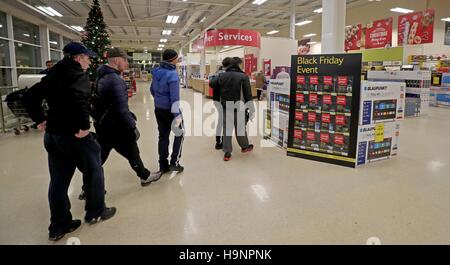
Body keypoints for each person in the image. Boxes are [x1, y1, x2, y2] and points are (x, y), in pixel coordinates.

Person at [26, 42, 116, 241]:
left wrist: (40, 119)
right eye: (87, 57)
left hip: (53, 136)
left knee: (58, 182)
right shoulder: (78, 76)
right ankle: (96, 211)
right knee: (94, 170)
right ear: (77, 58)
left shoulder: (52, 74)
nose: (89, 61)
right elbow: (79, 101)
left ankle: (59, 226)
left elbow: (30, 96)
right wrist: (84, 127)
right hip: (74, 136)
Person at [77, 48, 162, 200]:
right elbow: (121, 108)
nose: (127, 63)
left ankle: (87, 187)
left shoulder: (101, 76)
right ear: (116, 60)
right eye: (125, 60)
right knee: (132, 152)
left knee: (100, 156)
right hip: (117, 126)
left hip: (103, 124)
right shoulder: (115, 80)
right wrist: (131, 126)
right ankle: (144, 176)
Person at [210, 57, 255, 161]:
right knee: (240, 129)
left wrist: (219, 74)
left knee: (227, 129)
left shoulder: (222, 75)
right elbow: (248, 94)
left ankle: (227, 152)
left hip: (226, 106)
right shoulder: (243, 76)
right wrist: (251, 109)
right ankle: (245, 147)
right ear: (238, 65)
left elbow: (212, 84)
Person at [150, 49, 184, 174]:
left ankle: (163, 165)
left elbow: (152, 90)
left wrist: (159, 100)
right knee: (179, 134)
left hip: (158, 109)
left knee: (163, 136)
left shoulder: (156, 71)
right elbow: (174, 98)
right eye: (177, 58)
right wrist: (177, 115)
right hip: (171, 110)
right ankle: (174, 163)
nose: (178, 60)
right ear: (172, 59)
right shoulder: (172, 74)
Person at [210, 57, 232, 150]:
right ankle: (220, 141)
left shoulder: (217, 74)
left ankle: (220, 141)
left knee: (222, 121)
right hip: (222, 101)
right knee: (223, 121)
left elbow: (212, 84)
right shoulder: (224, 74)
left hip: (217, 101)